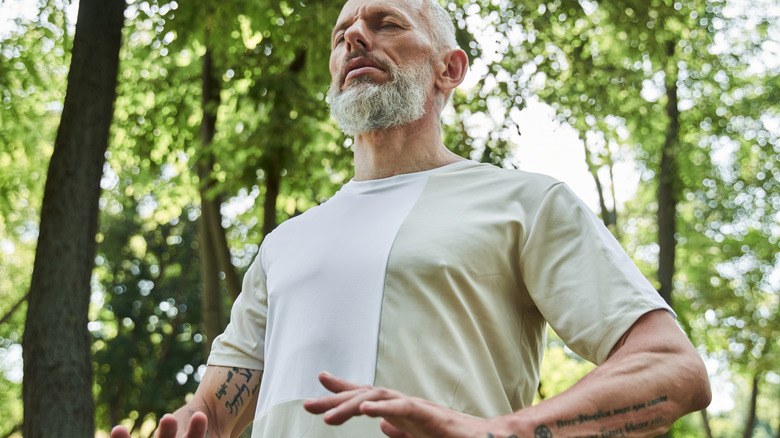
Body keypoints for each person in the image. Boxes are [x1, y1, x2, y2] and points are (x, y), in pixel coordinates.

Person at [112, 0, 711, 436]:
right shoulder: (284, 243)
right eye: (342, 31)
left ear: (449, 69)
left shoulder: (525, 203)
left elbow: (672, 368)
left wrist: (507, 432)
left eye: (385, 23)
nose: (354, 38)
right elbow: (213, 416)